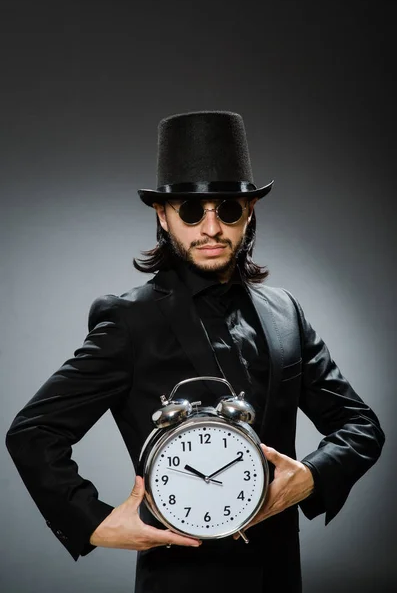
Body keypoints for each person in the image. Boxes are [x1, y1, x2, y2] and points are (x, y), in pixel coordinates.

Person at [6, 110, 385, 593]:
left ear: (248, 212)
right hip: (180, 581)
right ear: (163, 217)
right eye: (191, 210)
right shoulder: (130, 320)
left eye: (227, 208)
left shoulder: (285, 313)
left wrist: (311, 476)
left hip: (280, 577)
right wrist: (95, 523)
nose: (210, 227)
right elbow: (33, 432)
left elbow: (360, 426)